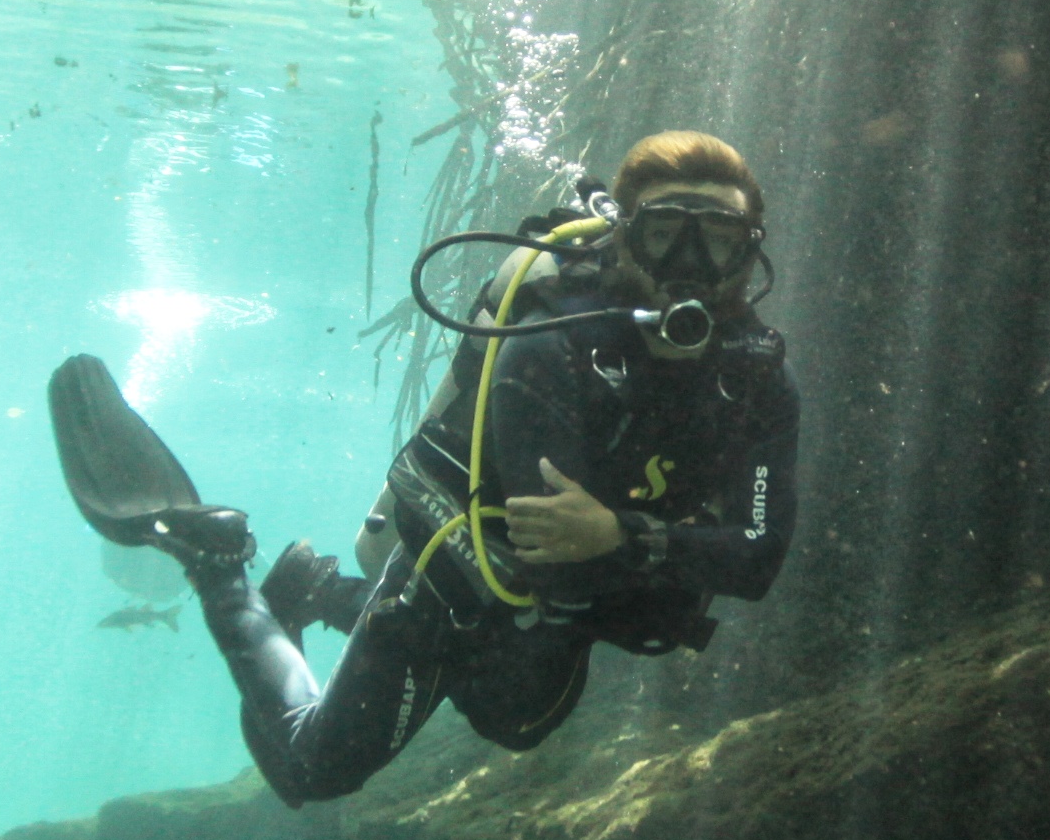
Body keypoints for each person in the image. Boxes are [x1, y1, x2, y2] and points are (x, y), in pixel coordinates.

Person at [53, 131, 797, 804]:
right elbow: (554, 561)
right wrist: (669, 548)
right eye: (667, 234)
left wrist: (620, 537)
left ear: (749, 254)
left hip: (556, 613)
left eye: (720, 240)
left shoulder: (759, 378)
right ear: (627, 243)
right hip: (453, 580)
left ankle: (320, 591)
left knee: (517, 723)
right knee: (314, 770)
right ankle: (218, 564)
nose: (691, 267)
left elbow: (759, 561)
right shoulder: (549, 348)